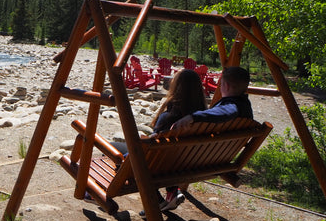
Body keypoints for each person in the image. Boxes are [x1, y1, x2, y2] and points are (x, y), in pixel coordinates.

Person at [97, 69, 207, 213]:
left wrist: (146, 141)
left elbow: (153, 150)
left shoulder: (169, 117)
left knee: (112, 147)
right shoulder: (203, 119)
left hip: (156, 166)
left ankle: (156, 200)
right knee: (161, 155)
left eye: (174, 78)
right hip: (183, 164)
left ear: (177, 87)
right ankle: (172, 191)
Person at [170, 66, 252, 131]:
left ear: (226, 86)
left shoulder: (233, 106)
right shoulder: (245, 106)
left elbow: (227, 111)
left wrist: (193, 117)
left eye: (221, 84)